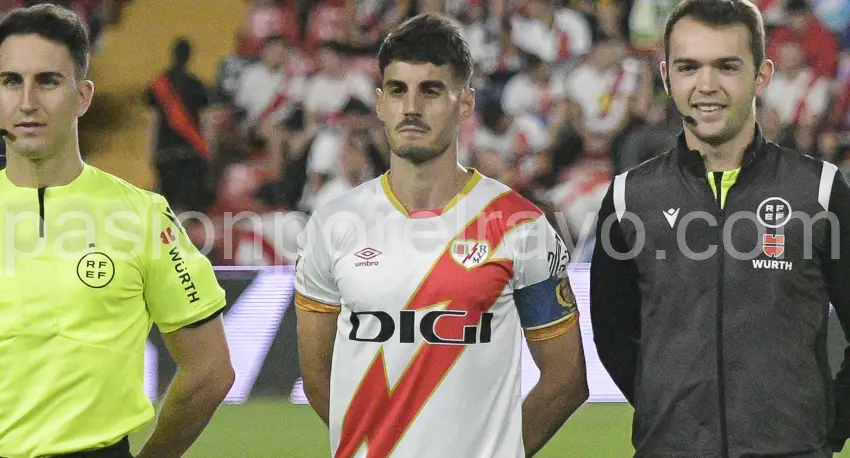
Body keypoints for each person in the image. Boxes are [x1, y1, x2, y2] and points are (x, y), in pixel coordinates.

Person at [295, 13, 588, 458]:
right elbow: (317, 377)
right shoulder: (332, 223)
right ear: (379, 103)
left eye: (431, 90)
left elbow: (567, 379)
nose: (410, 107)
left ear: (465, 104)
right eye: (397, 90)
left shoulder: (520, 225)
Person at [590, 0, 850, 456]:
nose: (705, 86)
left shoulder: (821, 191)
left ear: (762, 75)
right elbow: (613, 332)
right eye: (689, 67)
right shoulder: (630, 196)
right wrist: (667, 413)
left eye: (727, 66)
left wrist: (826, 425)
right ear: (667, 76)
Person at [0, 5, 234, 458]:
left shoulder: (141, 216)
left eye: (48, 81)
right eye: (11, 81)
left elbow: (210, 369)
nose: (27, 101)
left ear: (83, 96)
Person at [145, 37, 213, 215]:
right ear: (190, 57)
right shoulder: (198, 85)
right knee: (184, 208)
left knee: (167, 207)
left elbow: (152, 122)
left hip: (164, 153)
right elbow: (206, 123)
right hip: (189, 153)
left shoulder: (158, 85)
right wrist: (207, 151)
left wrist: (151, 152)